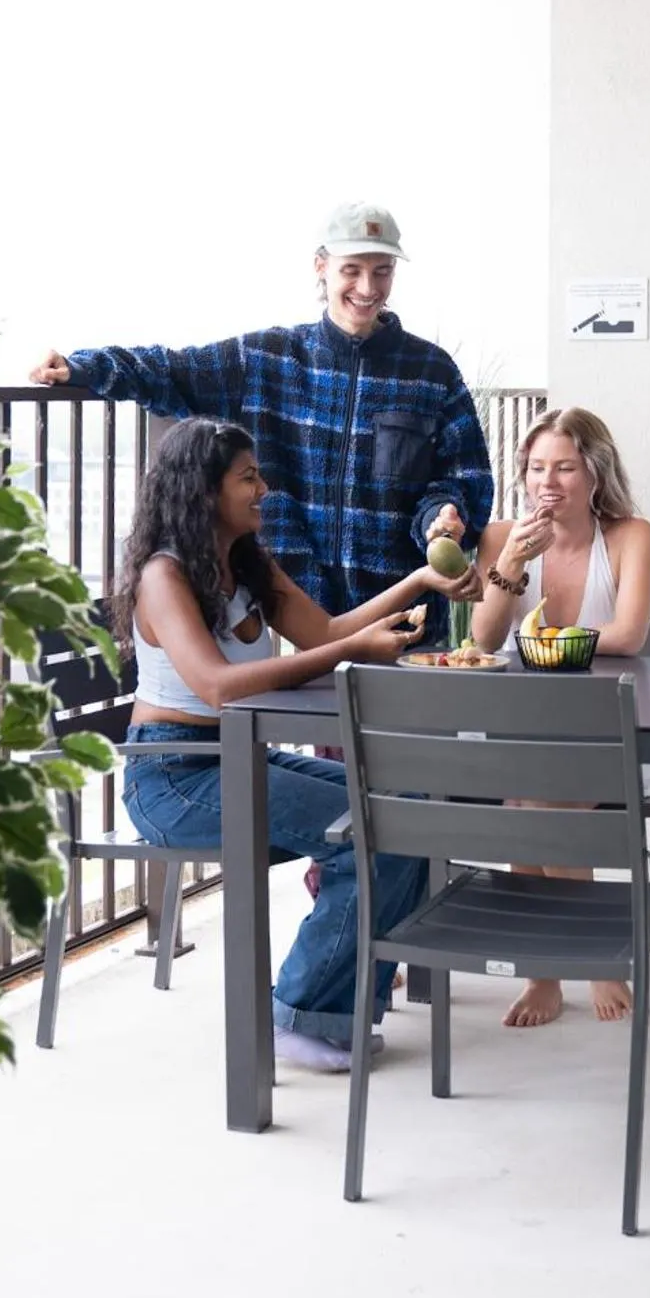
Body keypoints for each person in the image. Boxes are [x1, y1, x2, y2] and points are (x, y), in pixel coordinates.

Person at [113, 417, 454, 1073]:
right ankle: (295, 1015)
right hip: (174, 774)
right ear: (204, 490)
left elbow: (323, 631)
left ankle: (331, 1011)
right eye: (248, 478)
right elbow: (216, 687)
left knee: (404, 810)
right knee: (367, 831)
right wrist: (351, 651)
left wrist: (419, 583)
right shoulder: (165, 575)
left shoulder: (243, 562)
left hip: (241, 756)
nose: (263, 489)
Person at [30, 201, 492, 627]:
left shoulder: (433, 372)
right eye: (351, 270)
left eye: (382, 271)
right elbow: (173, 370)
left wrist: (444, 514)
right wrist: (84, 367)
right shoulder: (268, 359)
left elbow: (466, 479)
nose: (367, 289)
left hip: (404, 618)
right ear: (321, 267)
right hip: (296, 619)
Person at [467, 406, 650, 1028]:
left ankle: (554, 964)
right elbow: (484, 635)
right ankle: (577, 956)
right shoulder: (502, 538)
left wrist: (547, 640)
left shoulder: (632, 535)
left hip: (608, 730)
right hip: (521, 725)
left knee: (536, 794)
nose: (547, 482)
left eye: (565, 468)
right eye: (535, 467)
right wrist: (514, 565)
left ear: (595, 473)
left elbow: (628, 635)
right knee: (532, 787)